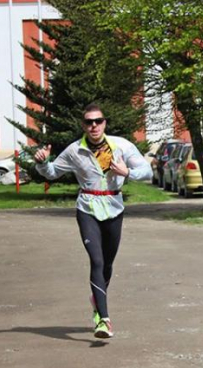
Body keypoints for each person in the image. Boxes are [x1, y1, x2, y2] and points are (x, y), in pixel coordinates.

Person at [33, 103, 152, 338]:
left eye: (98, 121)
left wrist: (127, 173)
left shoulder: (121, 146)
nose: (94, 126)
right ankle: (103, 320)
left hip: (114, 208)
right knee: (96, 261)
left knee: (107, 263)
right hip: (87, 207)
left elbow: (147, 171)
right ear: (83, 125)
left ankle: (97, 298)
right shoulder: (75, 150)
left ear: (104, 123)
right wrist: (42, 162)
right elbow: (52, 172)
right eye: (89, 122)